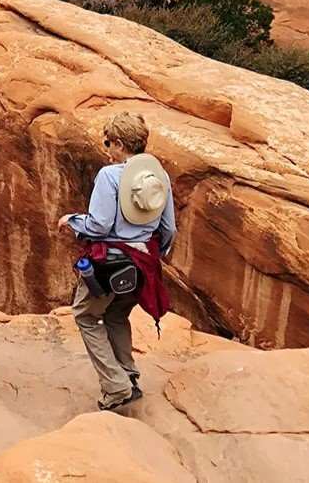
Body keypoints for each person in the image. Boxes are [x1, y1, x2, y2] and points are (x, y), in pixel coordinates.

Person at [57, 111, 176, 411]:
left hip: (109, 262)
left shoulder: (110, 176)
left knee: (86, 315)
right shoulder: (159, 177)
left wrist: (72, 220)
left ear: (120, 143)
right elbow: (169, 228)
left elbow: (99, 224)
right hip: (143, 263)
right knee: (116, 315)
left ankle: (116, 387)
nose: (107, 149)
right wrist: (152, 254)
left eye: (109, 143)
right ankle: (129, 376)